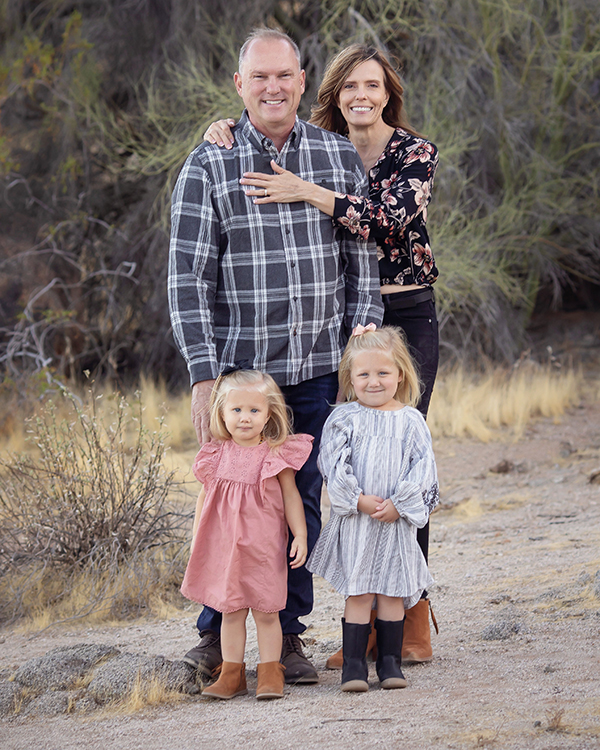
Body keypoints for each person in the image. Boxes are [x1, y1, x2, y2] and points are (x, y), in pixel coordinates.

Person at [204, 43, 439, 663]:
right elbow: (268, 116)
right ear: (331, 94)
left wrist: (304, 189)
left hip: (398, 314)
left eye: (374, 85)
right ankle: (249, 631)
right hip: (333, 335)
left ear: (389, 91)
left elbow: (379, 224)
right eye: (351, 87)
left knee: (394, 463)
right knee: (310, 480)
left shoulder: (408, 152)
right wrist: (223, 126)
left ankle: (404, 620)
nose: (363, 96)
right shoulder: (311, 141)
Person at [168, 29, 384, 686]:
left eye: (283, 76)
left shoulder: (334, 154)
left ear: (300, 78)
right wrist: (205, 377)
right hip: (244, 380)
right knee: (233, 508)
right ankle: (216, 636)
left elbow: (360, 256)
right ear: (240, 86)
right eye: (259, 77)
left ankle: (285, 636)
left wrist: (363, 344)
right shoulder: (209, 165)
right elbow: (187, 277)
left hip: (319, 368)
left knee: (304, 504)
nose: (272, 87)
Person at [307, 325, 439, 692]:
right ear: (350, 377)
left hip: (395, 523)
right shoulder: (344, 417)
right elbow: (333, 463)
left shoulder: (411, 420)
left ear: (400, 374)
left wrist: (401, 503)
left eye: (383, 373)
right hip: (358, 523)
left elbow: (423, 468)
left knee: (392, 592)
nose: (374, 382)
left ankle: (390, 664)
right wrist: (358, 499)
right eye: (363, 374)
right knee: (360, 592)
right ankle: (353, 667)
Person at [182, 368, 313, 700]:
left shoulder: (275, 453)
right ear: (222, 414)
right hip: (226, 549)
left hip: (264, 549)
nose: (245, 418)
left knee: (267, 612)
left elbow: (291, 496)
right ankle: (232, 674)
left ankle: (270, 672)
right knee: (231, 612)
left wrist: (300, 534)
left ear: (269, 413)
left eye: (254, 410)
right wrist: (198, 537)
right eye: (236, 410)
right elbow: (204, 498)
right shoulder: (216, 453)